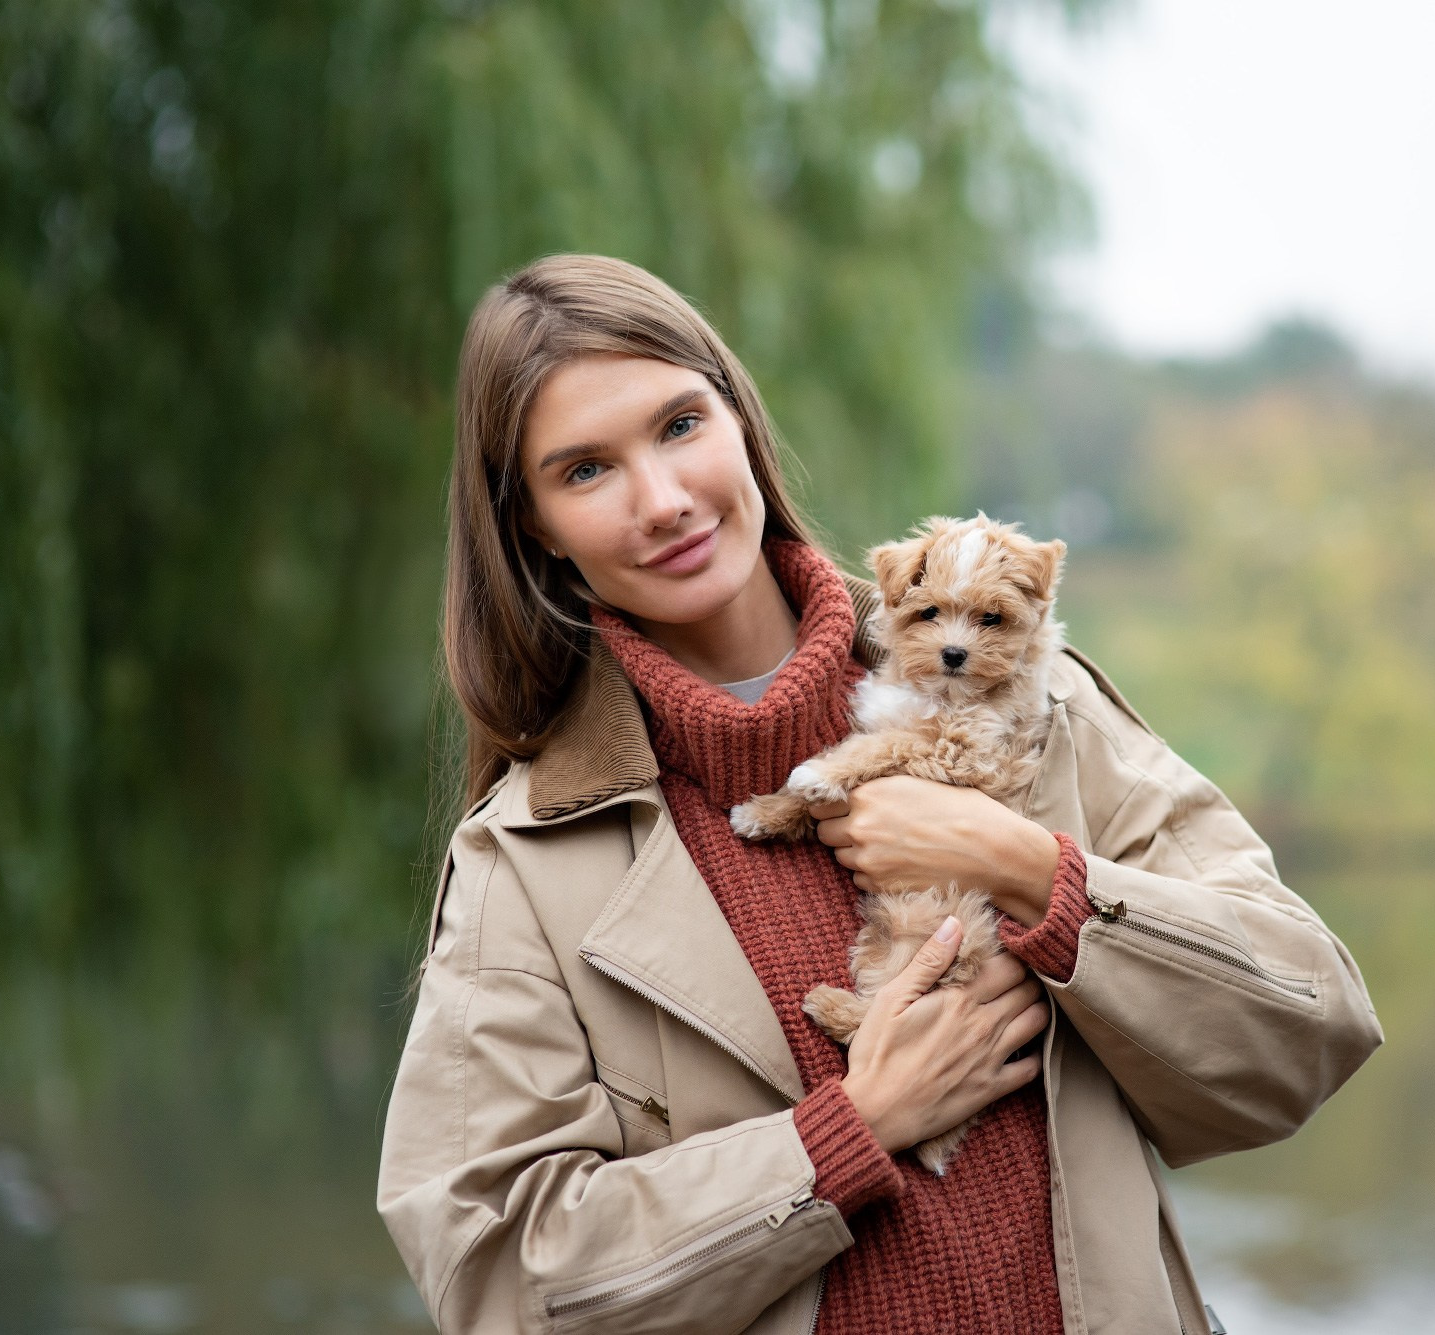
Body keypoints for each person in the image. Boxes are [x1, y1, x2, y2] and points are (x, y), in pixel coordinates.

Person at [377, 253, 1383, 1334]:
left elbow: (1305, 1028)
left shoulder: (1040, 709)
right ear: (532, 526)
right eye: (583, 471)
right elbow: (496, 1279)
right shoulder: (527, 862)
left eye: (678, 425)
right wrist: (843, 1136)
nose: (662, 500)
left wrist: (1032, 870)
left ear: (738, 419)